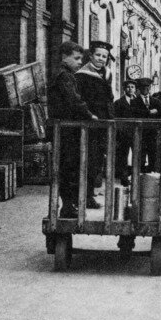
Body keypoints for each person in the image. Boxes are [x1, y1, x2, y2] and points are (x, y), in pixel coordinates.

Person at [48, 41, 95, 218]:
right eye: (76, 58)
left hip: (64, 129)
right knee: (68, 168)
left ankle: (69, 205)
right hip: (66, 131)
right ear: (64, 57)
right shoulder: (65, 76)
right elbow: (73, 100)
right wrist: (89, 115)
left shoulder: (64, 74)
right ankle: (68, 206)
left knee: (67, 168)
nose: (79, 62)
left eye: (81, 59)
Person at [75, 41, 116, 209]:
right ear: (90, 56)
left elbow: (109, 98)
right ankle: (82, 197)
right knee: (85, 159)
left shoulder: (107, 73)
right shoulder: (82, 75)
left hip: (102, 124)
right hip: (88, 122)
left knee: (97, 160)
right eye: (98, 55)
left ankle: (90, 194)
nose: (101, 59)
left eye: (104, 56)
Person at [132, 77, 161, 172]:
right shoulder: (134, 101)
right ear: (139, 88)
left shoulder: (156, 101)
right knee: (140, 155)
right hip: (140, 132)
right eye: (143, 87)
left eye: (147, 87)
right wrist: (150, 112)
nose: (145, 89)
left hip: (153, 132)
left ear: (150, 88)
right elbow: (134, 113)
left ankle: (152, 173)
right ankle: (140, 174)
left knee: (153, 154)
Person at [113, 79, 137, 186]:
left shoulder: (139, 102)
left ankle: (136, 177)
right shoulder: (118, 103)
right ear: (124, 89)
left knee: (137, 156)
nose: (130, 89)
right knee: (123, 156)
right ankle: (124, 178)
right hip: (123, 134)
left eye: (132, 87)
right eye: (128, 87)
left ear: (135, 89)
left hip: (136, 133)